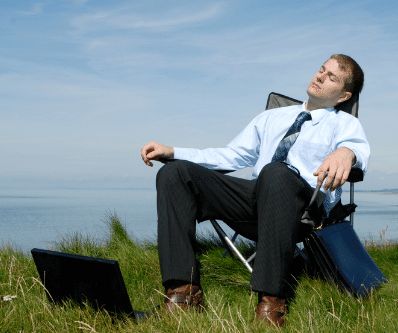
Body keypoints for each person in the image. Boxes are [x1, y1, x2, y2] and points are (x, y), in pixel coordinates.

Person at [140, 54, 369, 327]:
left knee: (275, 173)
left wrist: (347, 152)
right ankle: (183, 294)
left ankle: (272, 303)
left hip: (303, 209)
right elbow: (231, 155)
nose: (320, 76)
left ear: (344, 96)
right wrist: (173, 152)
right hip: (255, 200)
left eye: (331, 77)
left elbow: (358, 151)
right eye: (322, 69)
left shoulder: (345, 124)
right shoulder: (271, 117)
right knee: (174, 173)